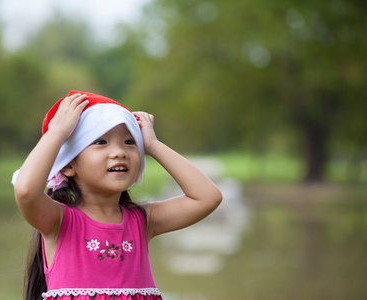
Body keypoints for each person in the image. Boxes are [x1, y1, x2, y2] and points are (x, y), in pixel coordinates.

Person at [12, 90, 223, 300]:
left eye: (129, 142)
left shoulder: (142, 221)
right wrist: (57, 133)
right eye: (101, 142)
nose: (119, 152)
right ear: (68, 164)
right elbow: (26, 191)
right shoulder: (59, 221)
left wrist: (154, 146)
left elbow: (207, 197)